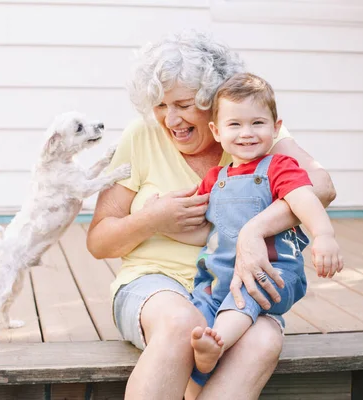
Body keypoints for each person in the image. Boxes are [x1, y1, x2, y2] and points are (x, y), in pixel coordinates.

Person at [86, 31, 338, 400]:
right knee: (181, 322)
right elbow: (98, 241)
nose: (170, 119)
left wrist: (254, 230)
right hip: (156, 284)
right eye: (159, 105)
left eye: (184, 104)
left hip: (237, 289)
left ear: (216, 102)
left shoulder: (250, 131)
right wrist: (153, 219)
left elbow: (322, 187)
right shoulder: (140, 136)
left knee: (265, 338)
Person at [157, 72, 343, 376]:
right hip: (219, 278)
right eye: (235, 125)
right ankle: (203, 360)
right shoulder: (215, 179)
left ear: (276, 127)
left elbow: (304, 198)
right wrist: (161, 216)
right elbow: (198, 221)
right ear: (216, 131)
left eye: (257, 123)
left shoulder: (280, 167)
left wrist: (323, 234)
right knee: (197, 316)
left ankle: (219, 344)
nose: (247, 133)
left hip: (273, 272)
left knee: (244, 296)